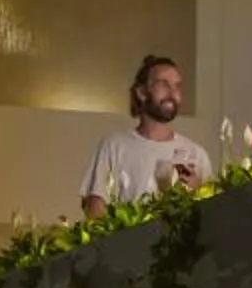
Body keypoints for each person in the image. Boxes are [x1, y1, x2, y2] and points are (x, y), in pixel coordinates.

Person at [81, 54, 211, 218]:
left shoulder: (196, 154)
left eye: (177, 86)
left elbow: (210, 217)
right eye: (163, 84)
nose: (172, 92)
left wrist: (197, 192)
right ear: (142, 92)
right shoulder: (114, 146)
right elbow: (95, 212)